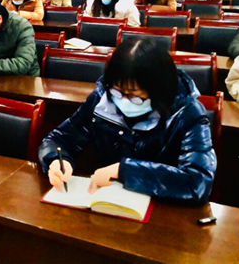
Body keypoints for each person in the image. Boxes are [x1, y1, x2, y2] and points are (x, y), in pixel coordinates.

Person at [39, 38, 215, 204]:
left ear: (159, 90)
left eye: (134, 95)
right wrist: (56, 160)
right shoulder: (101, 99)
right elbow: (59, 139)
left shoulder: (188, 113)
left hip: (162, 210)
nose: (123, 100)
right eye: (117, 91)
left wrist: (124, 170)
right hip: (106, 201)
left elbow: (198, 182)